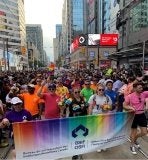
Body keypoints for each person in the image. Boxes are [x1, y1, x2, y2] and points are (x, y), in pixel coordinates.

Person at [123, 82, 148, 155]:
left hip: (142, 114)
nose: (141, 89)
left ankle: (134, 139)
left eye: (142, 87)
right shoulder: (130, 96)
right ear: (134, 88)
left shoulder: (144, 94)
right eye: (139, 88)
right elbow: (124, 105)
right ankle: (132, 145)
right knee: (133, 132)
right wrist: (130, 107)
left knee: (144, 132)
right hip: (133, 116)